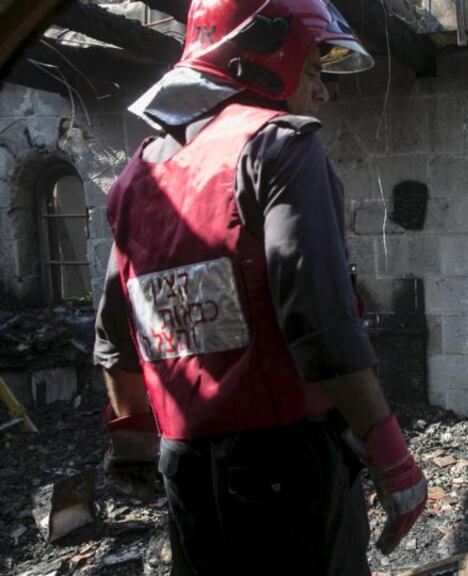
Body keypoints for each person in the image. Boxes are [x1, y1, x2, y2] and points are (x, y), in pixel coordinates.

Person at [92, 1, 426, 573]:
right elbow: (319, 325)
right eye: (316, 71)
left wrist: (133, 440)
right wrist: (392, 457)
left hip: (186, 467)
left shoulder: (136, 175)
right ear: (268, 57)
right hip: (286, 470)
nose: (325, 94)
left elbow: (117, 331)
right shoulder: (280, 148)